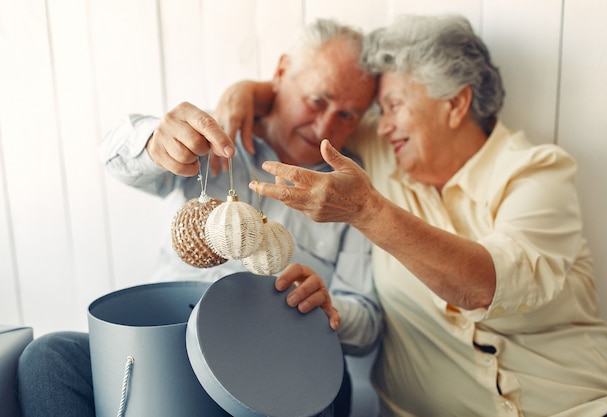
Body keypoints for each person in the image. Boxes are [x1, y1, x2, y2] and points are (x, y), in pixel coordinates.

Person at [226, 14, 607, 417]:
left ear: (455, 104)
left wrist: (369, 212)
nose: (381, 127)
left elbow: (483, 287)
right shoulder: (380, 155)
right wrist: (247, 92)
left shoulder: (537, 173)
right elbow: (309, 105)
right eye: (378, 111)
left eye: (394, 106)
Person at [16, 19, 382, 417]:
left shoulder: (351, 191)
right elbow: (114, 155)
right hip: (165, 344)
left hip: (268, 362)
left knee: (330, 383)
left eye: (348, 115)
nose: (325, 125)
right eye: (316, 100)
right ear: (279, 73)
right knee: (48, 357)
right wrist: (155, 142)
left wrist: (330, 310)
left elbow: (367, 318)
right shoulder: (211, 135)